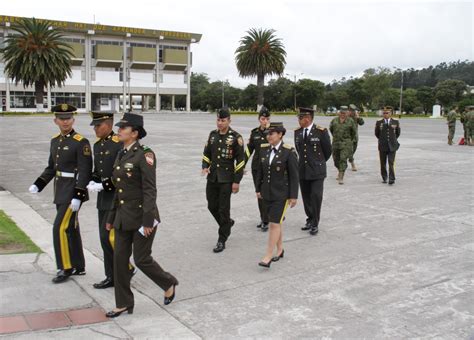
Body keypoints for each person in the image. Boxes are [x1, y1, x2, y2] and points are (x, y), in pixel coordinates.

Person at [105, 112, 178, 318]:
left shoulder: (145, 154)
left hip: (141, 217)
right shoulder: (121, 153)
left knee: (142, 259)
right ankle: (123, 304)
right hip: (122, 217)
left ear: (135, 133)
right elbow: (118, 190)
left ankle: (168, 282)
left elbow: (149, 190)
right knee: (119, 261)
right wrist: (110, 219)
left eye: (123, 128)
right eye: (119, 128)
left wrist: (148, 220)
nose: (118, 131)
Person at [28, 104, 92, 283]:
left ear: (74, 119)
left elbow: (85, 171)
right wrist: (38, 184)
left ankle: (65, 267)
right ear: (55, 120)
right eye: (62, 118)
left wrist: (78, 196)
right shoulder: (55, 141)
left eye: (69, 118)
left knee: (59, 228)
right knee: (71, 227)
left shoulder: (81, 142)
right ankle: (79, 266)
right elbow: (51, 168)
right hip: (60, 189)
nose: (65, 121)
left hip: (72, 191)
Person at [87, 111, 135, 289]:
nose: (95, 129)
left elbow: (122, 173)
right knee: (103, 238)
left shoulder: (119, 144)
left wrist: (104, 184)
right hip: (103, 198)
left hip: (116, 197)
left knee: (111, 238)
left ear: (108, 124)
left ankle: (125, 269)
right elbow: (97, 170)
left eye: (98, 125)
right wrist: (92, 180)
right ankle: (111, 275)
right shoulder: (98, 145)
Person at [201, 107, 245, 253]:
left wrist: (236, 181)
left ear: (229, 121)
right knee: (211, 206)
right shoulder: (212, 135)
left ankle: (222, 239)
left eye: (223, 120)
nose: (220, 123)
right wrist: (205, 166)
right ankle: (227, 224)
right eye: (218, 120)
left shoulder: (236, 137)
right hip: (212, 177)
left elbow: (240, 161)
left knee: (223, 209)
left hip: (227, 179)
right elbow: (207, 153)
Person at [255, 122, 298, 268]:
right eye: (268, 133)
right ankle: (280, 249)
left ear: (280, 134)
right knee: (276, 221)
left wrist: (293, 196)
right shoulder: (264, 150)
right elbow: (259, 171)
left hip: (282, 194)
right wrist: (258, 189)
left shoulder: (289, 152)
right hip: (266, 192)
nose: (269, 136)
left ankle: (268, 255)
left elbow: (294, 176)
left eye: (272, 133)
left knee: (273, 223)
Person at [294, 107, 332, 235]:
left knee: (316, 196)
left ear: (308, 118)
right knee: (306, 197)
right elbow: (299, 150)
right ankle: (309, 219)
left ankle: (315, 223)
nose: (298, 120)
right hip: (303, 169)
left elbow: (327, 151)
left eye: (300, 118)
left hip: (317, 171)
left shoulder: (321, 132)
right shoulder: (298, 132)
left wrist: (317, 162)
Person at [244, 106, 271, 232]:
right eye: (262, 118)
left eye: (266, 118)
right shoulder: (254, 132)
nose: (264, 121)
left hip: (270, 167)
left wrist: (268, 131)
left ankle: (270, 216)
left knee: (270, 193)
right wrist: (241, 164)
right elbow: (249, 150)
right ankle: (264, 218)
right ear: (259, 119)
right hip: (257, 168)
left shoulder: (273, 132)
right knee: (260, 193)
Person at [329, 106, 357, 185]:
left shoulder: (350, 121)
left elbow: (353, 132)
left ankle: (341, 176)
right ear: (339, 113)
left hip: (346, 143)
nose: (342, 114)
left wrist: (348, 140)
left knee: (343, 159)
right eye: (341, 113)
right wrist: (336, 137)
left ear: (347, 113)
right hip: (335, 143)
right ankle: (339, 169)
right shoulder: (334, 120)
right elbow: (331, 129)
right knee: (336, 160)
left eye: (344, 113)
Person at [375, 106, 401, 185]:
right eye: (384, 113)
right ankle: (384, 177)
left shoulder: (395, 122)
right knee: (383, 163)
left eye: (387, 113)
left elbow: (397, 133)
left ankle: (391, 178)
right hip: (382, 145)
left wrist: (392, 140)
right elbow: (377, 134)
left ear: (391, 113)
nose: (385, 114)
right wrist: (383, 139)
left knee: (391, 162)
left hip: (392, 145)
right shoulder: (379, 122)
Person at [347, 104, 365, 170]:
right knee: (350, 151)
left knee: (354, 150)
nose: (353, 112)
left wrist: (358, 117)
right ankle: (352, 164)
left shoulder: (356, 117)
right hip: (348, 138)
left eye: (354, 111)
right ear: (349, 110)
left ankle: (350, 158)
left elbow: (362, 123)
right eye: (352, 111)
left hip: (355, 137)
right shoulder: (346, 117)